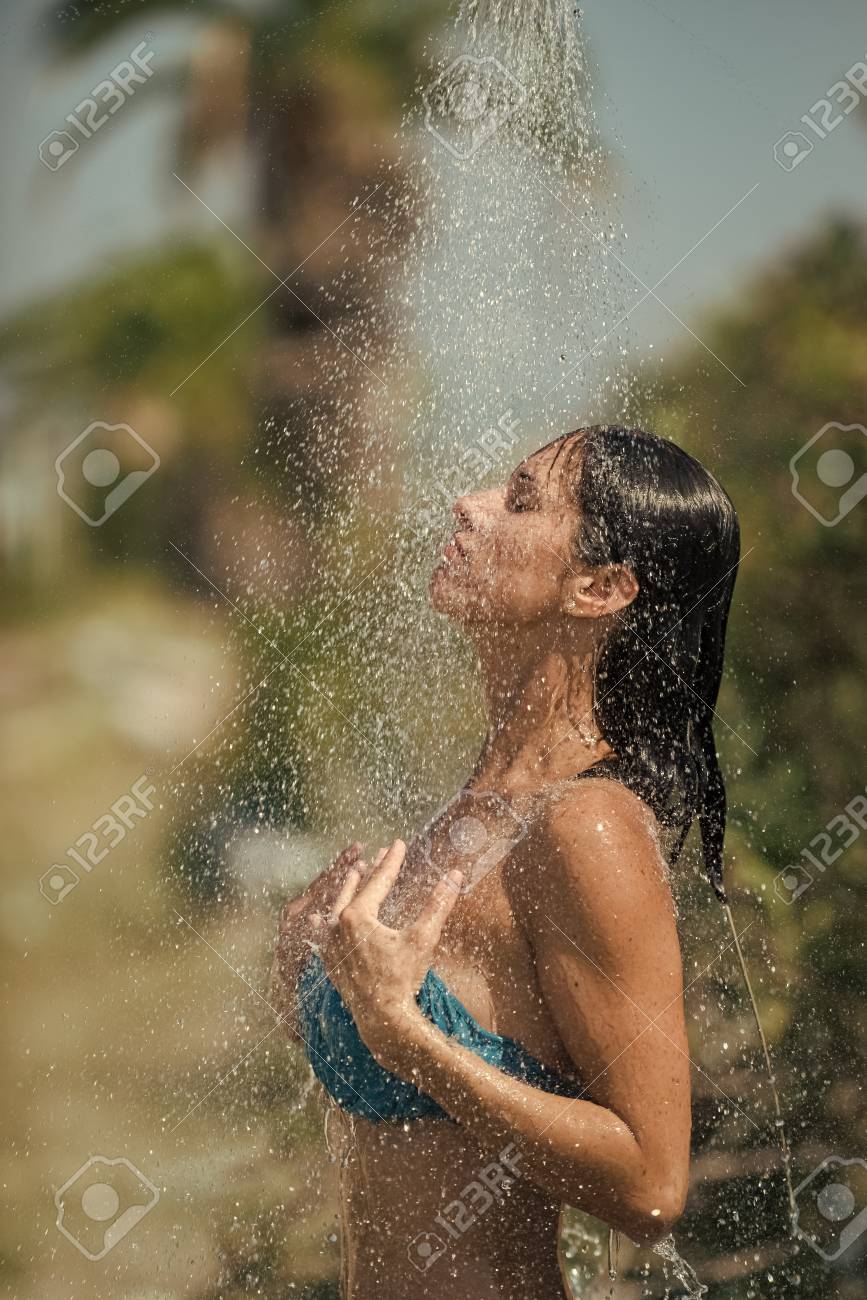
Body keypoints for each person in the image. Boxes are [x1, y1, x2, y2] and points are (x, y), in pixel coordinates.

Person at [270, 424, 740, 1299]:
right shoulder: (478, 808)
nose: (468, 503)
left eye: (520, 500)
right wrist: (308, 980)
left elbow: (651, 1186)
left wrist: (404, 1039)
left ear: (598, 588)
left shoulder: (586, 829)